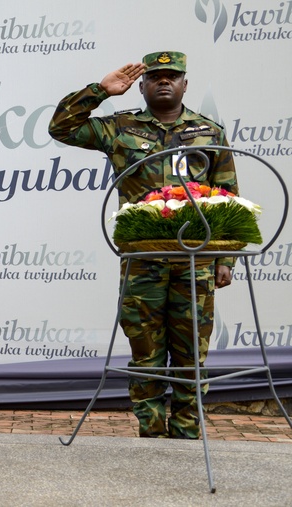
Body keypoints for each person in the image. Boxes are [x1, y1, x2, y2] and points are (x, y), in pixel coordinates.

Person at [49, 52, 239, 439]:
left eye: (172, 76)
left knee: (191, 357)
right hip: (143, 259)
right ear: (142, 85)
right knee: (145, 351)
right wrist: (101, 91)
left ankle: (187, 434)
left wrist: (226, 259)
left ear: (185, 84)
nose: (164, 82)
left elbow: (228, 195)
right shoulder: (121, 127)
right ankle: (151, 433)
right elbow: (62, 128)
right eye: (155, 77)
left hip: (195, 260)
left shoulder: (209, 131)